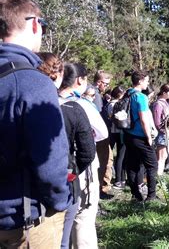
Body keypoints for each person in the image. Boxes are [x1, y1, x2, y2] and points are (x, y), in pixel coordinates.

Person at [0, 0, 70, 248]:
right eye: (43, 24)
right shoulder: (34, 84)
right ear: (33, 23)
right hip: (23, 219)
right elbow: (51, 159)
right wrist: (60, 201)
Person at [37, 53, 96, 249]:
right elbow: (88, 151)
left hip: (20, 191)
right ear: (59, 74)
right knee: (62, 240)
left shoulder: (17, 100)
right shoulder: (73, 109)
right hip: (63, 183)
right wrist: (73, 172)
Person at [60, 62, 105, 249]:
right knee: (83, 219)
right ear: (80, 80)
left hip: (55, 171)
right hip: (80, 170)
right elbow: (102, 133)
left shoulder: (45, 99)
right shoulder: (80, 105)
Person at [123, 70, 158, 202]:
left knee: (132, 165)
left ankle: (136, 194)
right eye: (147, 80)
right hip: (141, 136)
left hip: (128, 135)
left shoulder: (128, 94)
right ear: (140, 81)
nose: (148, 83)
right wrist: (149, 136)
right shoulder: (141, 97)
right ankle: (151, 196)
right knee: (152, 165)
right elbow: (143, 119)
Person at [92, 70, 114, 198]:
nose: (106, 86)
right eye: (105, 84)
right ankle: (102, 189)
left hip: (98, 134)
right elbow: (97, 115)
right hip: (99, 135)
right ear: (99, 82)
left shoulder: (96, 94)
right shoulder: (95, 95)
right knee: (105, 161)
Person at [152, 84, 169, 175]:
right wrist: (163, 131)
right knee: (161, 157)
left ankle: (159, 176)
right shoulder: (158, 104)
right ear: (164, 93)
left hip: (168, 134)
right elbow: (157, 121)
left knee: (164, 156)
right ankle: (157, 178)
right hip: (163, 135)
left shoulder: (165, 103)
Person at [107, 86, 127, 189]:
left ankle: (121, 178)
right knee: (120, 155)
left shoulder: (109, 104)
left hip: (113, 131)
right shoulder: (116, 104)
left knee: (119, 155)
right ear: (119, 95)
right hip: (120, 132)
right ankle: (119, 179)